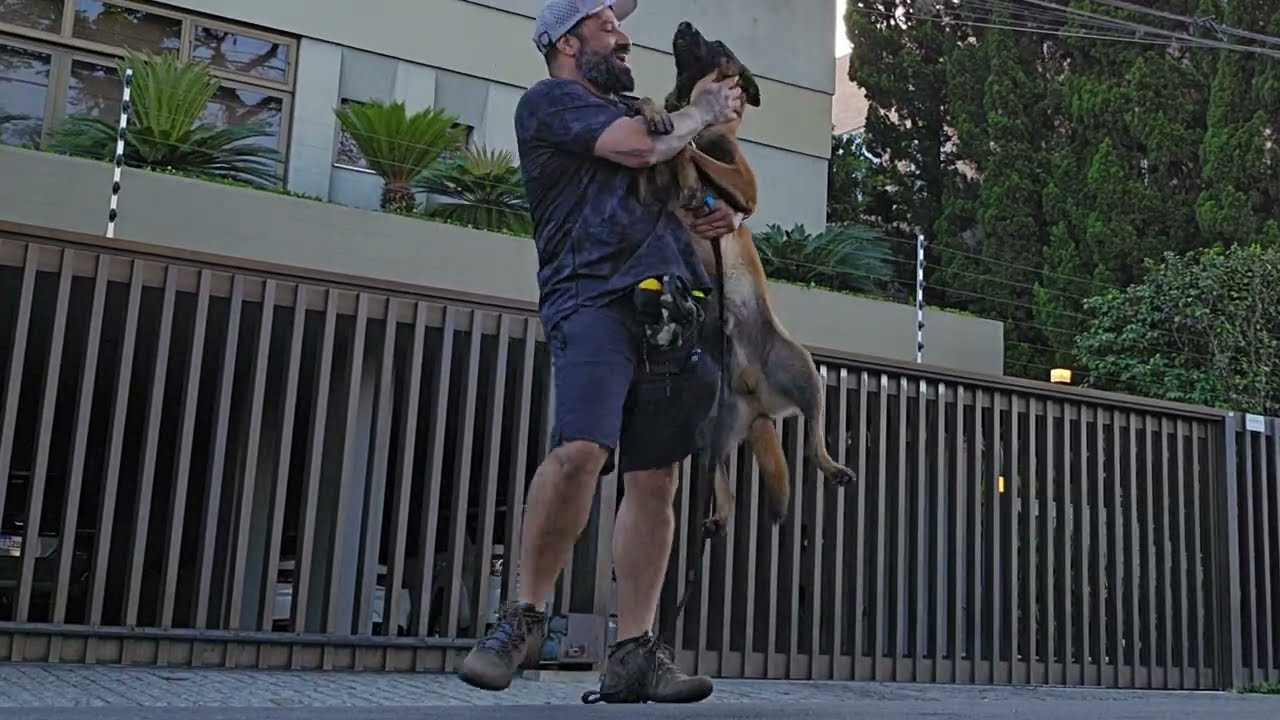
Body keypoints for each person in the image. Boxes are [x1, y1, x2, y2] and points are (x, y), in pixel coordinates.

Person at [455, 0, 744, 705]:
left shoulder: (642, 118)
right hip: (593, 297)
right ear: (564, 41)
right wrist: (703, 110)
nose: (624, 37)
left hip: (671, 304)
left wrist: (716, 211)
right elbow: (640, 148)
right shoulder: (552, 102)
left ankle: (634, 653)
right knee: (581, 449)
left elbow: (666, 174)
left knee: (656, 479)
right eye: (607, 26)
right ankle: (523, 616)